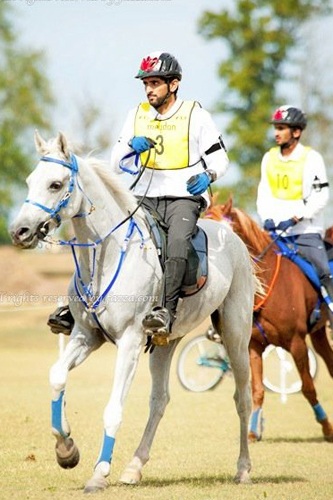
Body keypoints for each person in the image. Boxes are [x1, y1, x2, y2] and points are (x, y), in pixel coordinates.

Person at [110, 51, 229, 338]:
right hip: (143, 196)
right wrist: (131, 147)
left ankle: (165, 311)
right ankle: (83, 305)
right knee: (110, 235)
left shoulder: (196, 115)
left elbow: (220, 158)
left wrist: (208, 176)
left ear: (173, 85)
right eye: (146, 84)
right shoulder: (135, 115)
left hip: (183, 198)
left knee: (176, 245)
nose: (149, 89)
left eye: (154, 83)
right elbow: (115, 163)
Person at [257, 104, 333, 303]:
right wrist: (267, 219)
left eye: (282, 128)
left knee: (324, 271)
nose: (276, 133)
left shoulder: (312, 158)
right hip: (275, 233)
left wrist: (296, 217)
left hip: (305, 232)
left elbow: (321, 196)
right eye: (276, 128)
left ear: (296, 131)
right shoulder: (269, 158)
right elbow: (263, 194)